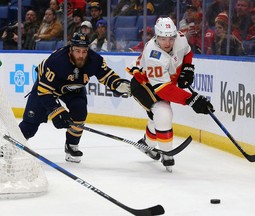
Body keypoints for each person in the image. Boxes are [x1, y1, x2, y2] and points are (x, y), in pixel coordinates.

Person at [19, 32, 131, 163]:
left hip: (73, 88)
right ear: (70, 49)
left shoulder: (94, 60)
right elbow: (44, 92)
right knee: (30, 124)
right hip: (47, 88)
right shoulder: (56, 61)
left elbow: (106, 75)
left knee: (80, 111)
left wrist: (117, 84)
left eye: (84, 51)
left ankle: (71, 145)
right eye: (77, 51)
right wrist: (56, 111)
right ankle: (10, 145)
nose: (81, 55)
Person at [127, 17, 214, 172]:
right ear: (156, 36)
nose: (167, 43)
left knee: (158, 116)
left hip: (162, 82)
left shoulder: (180, 38)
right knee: (163, 112)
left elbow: (187, 52)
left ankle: (147, 144)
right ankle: (167, 152)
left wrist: (187, 68)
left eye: (170, 38)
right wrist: (191, 100)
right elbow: (163, 90)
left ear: (175, 35)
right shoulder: (153, 55)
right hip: (143, 84)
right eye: (162, 39)